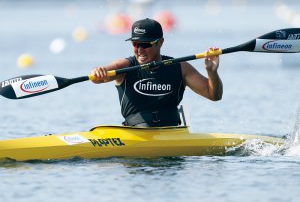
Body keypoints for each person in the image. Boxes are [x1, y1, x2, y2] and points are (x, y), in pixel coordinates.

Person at [89, 18, 223, 127]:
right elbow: (99, 78)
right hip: (136, 134)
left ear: (160, 42)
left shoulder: (180, 67)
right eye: (136, 44)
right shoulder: (125, 66)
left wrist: (212, 72)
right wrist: (98, 72)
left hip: (171, 133)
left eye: (146, 44)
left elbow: (214, 95)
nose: (140, 50)